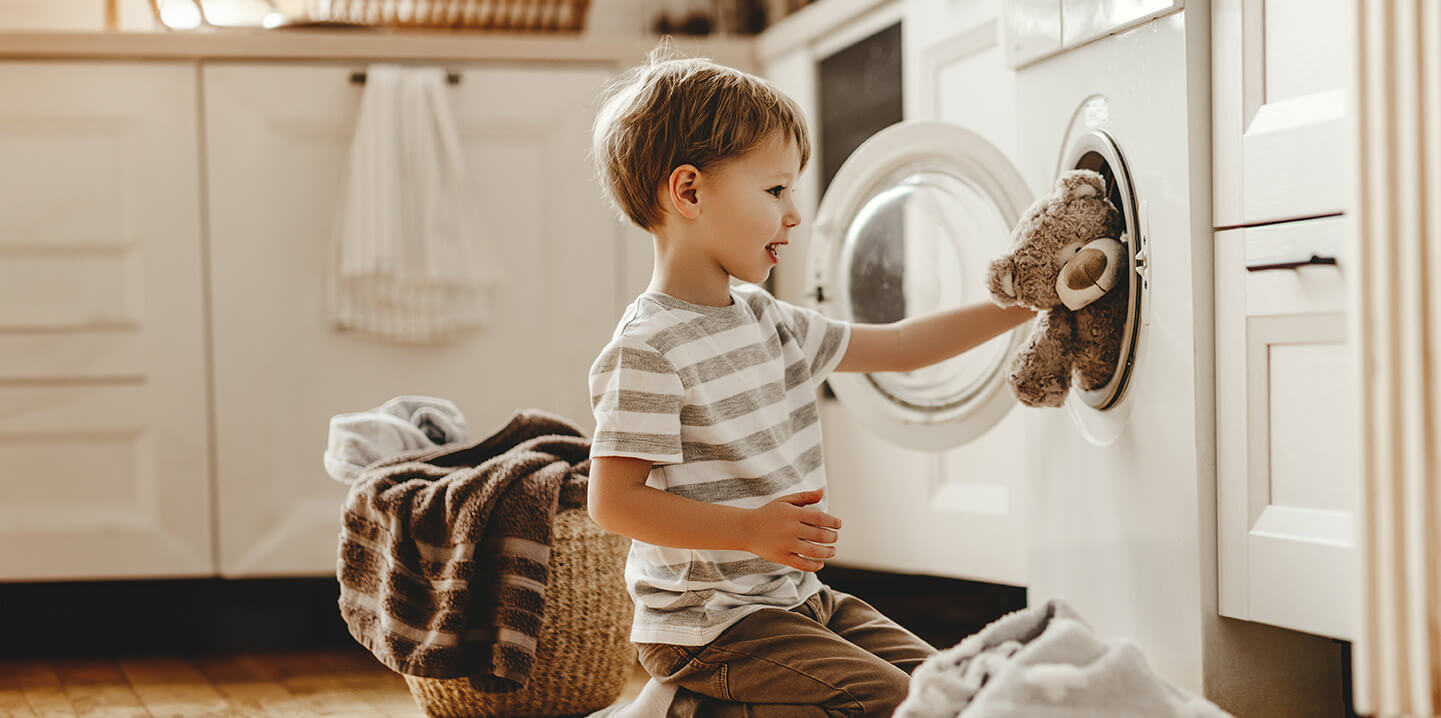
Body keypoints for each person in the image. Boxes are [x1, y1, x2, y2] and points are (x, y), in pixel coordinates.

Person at [585, 46, 1037, 716]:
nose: (794, 214)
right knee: (893, 701)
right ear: (688, 191)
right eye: (775, 191)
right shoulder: (648, 347)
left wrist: (1029, 300)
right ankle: (687, 703)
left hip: (793, 599)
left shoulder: (768, 320)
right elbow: (614, 503)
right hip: (708, 627)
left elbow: (903, 347)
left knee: (951, 686)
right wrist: (747, 531)